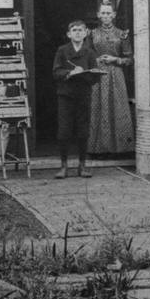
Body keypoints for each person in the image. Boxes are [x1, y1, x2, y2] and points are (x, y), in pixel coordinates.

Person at [52, 19, 100, 179]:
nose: (78, 33)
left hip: (83, 95)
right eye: (74, 30)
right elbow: (56, 72)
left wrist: (85, 72)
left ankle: (82, 166)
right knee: (64, 131)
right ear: (68, 34)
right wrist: (70, 73)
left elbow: (95, 76)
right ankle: (64, 166)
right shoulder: (62, 51)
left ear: (86, 33)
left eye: (81, 30)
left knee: (83, 131)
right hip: (65, 96)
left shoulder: (90, 52)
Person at [87, 2, 134, 156]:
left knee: (117, 107)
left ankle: (120, 149)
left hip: (116, 75)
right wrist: (96, 59)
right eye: (103, 13)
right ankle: (99, 148)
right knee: (99, 107)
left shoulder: (122, 34)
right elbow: (86, 56)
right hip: (98, 74)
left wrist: (115, 59)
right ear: (98, 15)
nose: (106, 16)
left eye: (109, 13)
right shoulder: (92, 34)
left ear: (114, 15)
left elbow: (129, 59)